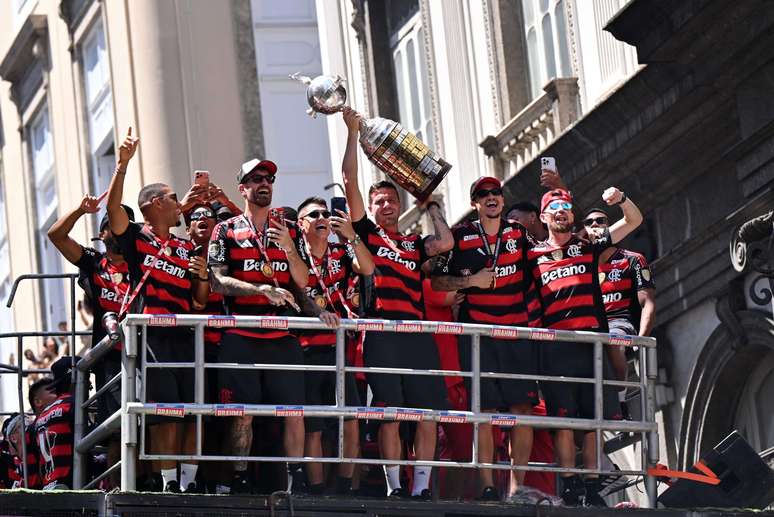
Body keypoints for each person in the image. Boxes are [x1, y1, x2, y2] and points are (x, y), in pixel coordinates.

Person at [340, 107, 454, 499]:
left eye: (391, 200)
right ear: (370, 210)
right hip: (382, 332)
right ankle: (394, 488)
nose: (386, 206)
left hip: (417, 334)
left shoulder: (411, 243)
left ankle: (420, 486)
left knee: (426, 413)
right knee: (389, 412)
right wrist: (353, 133)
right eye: (380, 202)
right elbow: (349, 180)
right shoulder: (367, 235)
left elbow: (445, 243)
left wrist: (430, 203)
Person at [107, 127, 209, 493]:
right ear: (154, 204)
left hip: (184, 333)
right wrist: (122, 166)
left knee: (192, 410)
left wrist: (202, 276)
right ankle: (169, 483)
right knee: (166, 412)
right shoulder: (137, 236)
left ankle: (190, 482)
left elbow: (199, 300)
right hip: (153, 335)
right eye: (173, 197)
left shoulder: (185, 249)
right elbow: (113, 210)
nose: (180, 203)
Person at [529, 186, 642, 507]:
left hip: (591, 346)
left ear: (572, 214)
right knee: (565, 423)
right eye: (554, 207)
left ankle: (592, 487)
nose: (561, 211)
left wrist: (621, 199)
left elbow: (633, 221)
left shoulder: (589, 246)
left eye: (566, 206)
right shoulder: (532, 255)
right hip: (554, 349)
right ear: (543, 217)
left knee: (592, 423)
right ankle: (569, 485)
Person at [431, 177, 539, 502]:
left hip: (516, 333)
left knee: (523, 410)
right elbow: (437, 282)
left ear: (503, 200)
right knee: (486, 412)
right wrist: (473, 282)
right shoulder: (461, 236)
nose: (491, 197)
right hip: (479, 337)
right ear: (474, 202)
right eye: (483, 194)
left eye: (496, 193)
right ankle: (489, 485)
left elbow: (542, 264)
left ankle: (518, 485)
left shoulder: (518, 234)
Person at [208, 158, 309, 494]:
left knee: (294, 412)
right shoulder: (225, 229)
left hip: (282, 334)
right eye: (256, 179)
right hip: (241, 332)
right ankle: (236, 479)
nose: (264, 183)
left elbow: (303, 281)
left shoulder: (290, 229)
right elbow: (217, 282)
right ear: (243, 188)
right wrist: (260, 290)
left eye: (269, 178)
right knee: (242, 413)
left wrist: (290, 250)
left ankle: (296, 481)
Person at [295, 196, 374, 495]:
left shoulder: (340, 253)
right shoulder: (295, 255)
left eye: (325, 214)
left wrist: (352, 235)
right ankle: (315, 489)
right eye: (313, 214)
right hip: (307, 351)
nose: (321, 218)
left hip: (340, 350)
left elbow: (367, 268)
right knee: (313, 426)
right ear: (301, 224)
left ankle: (344, 485)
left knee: (351, 420)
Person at [47, 195, 135, 430]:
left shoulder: (143, 262)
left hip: (148, 351)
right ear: (102, 234)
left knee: (154, 423)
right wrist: (79, 210)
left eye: (123, 225)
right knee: (117, 429)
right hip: (110, 356)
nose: (117, 230)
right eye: (111, 226)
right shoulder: (94, 262)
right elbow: (56, 236)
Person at [582, 208, 656, 383]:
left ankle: (620, 399)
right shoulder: (581, 264)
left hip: (621, 323)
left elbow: (648, 303)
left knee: (612, 338)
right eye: (588, 223)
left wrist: (641, 339)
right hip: (591, 325)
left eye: (600, 221)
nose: (594, 224)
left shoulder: (632, 260)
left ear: (610, 228)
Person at [33, 356, 81, 490]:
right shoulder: (72, 404)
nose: (90, 385)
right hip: (70, 486)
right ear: (73, 379)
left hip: (49, 487)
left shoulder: (40, 417)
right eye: (86, 376)